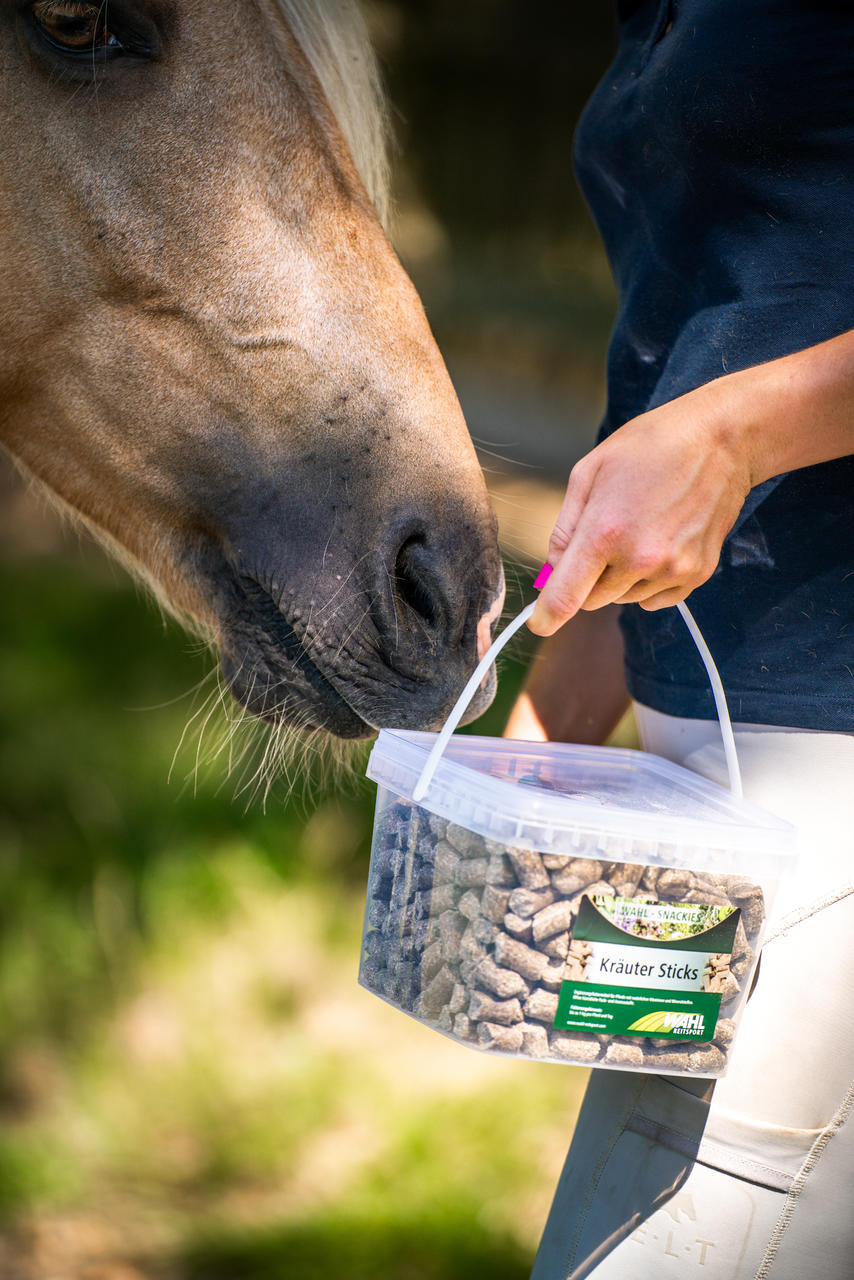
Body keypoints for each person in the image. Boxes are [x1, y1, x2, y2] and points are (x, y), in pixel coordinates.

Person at [504, 2, 854, 1276]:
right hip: (705, 791)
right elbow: (695, 331)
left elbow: (715, 410)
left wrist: (735, 436)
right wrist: (558, 700)